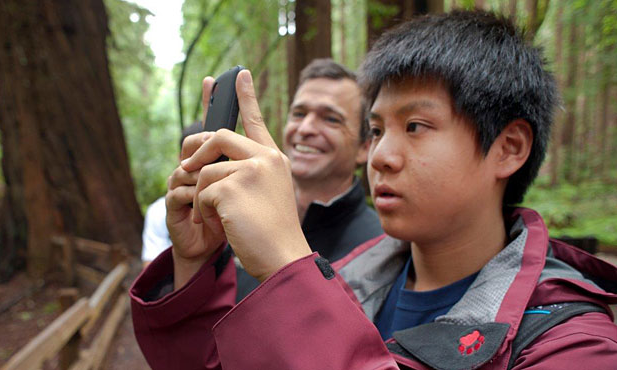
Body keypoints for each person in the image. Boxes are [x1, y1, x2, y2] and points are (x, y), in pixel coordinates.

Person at [130, 10, 617, 370]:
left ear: (508, 148)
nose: (382, 155)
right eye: (379, 129)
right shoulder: (350, 279)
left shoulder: (572, 342)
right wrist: (195, 263)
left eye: (417, 125)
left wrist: (285, 267)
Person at [234, 59, 382, 300]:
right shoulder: (246, 221)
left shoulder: (380, 250)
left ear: (364, 148)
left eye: (331, 119)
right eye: (299, 113)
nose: (305, 128)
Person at [141, 121, 202, 265]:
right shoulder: (159, 211)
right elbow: (150, 269)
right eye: (195, 155)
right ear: (181, 158)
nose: (201, 163)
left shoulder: (233, 206)